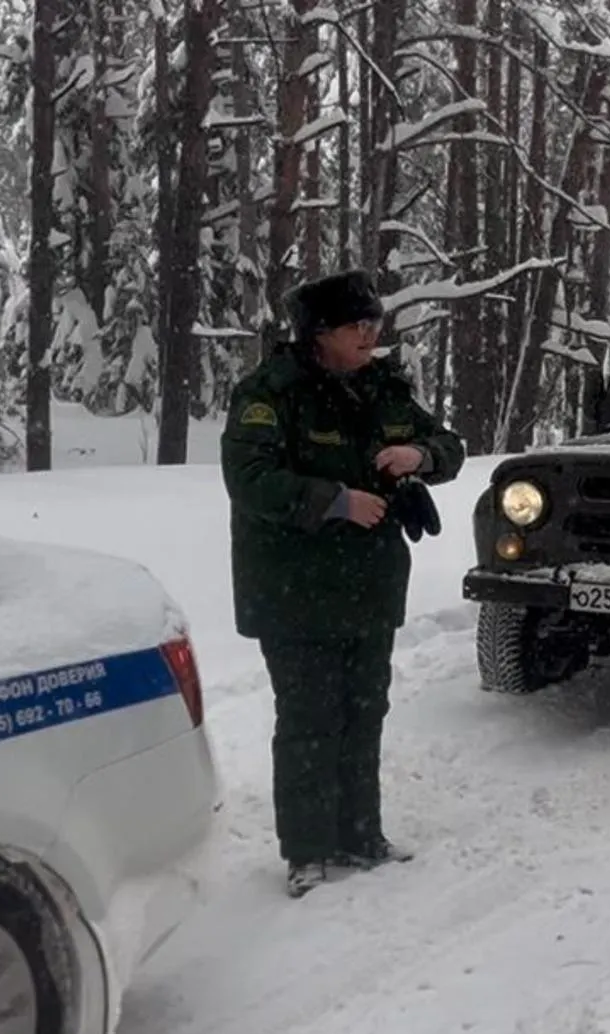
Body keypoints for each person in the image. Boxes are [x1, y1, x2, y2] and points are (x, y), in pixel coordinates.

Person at [220, 269, 466, 898]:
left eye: (375, 324)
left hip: (369, 586)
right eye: (359, 326)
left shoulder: (384, 389)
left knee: (364, 712)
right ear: (320, 333)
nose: (371, 335)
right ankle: (307, 852)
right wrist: (335, 501)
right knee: (308, 719)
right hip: (293, 590)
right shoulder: (270, 393)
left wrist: (420, 459)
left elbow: (449, 444)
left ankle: (362, 835)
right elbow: (250, 479)